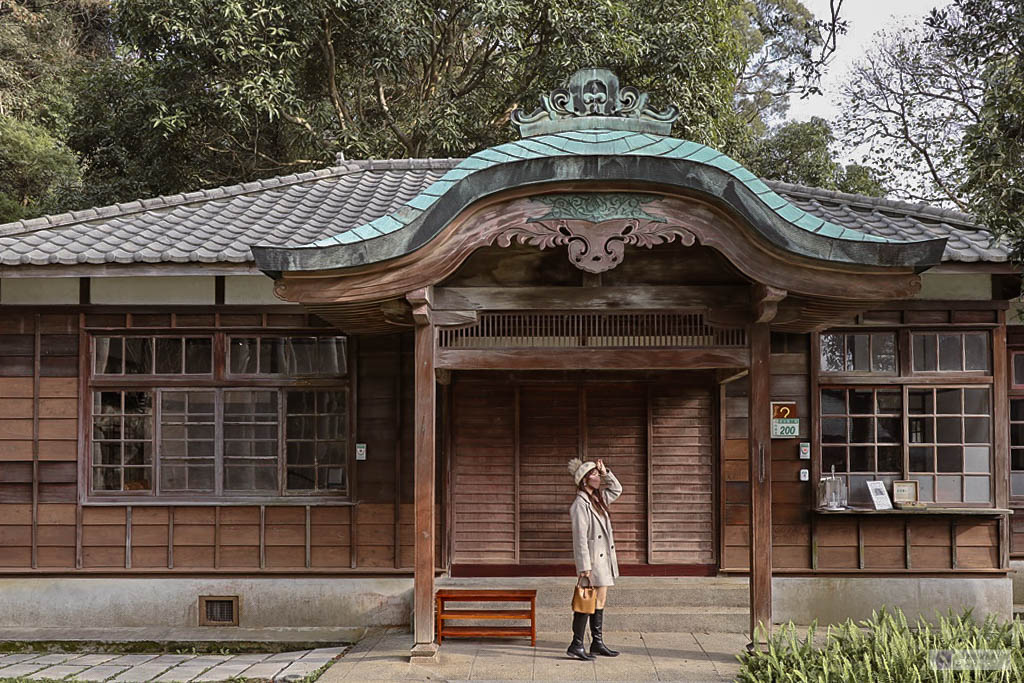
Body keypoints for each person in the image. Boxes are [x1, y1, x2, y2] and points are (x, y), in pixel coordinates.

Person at [566, 456, 622, 661]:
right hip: (591, 562)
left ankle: (597, 643)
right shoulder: (579, 505)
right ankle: (576, 644)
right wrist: (584, 567)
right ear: (585, 480)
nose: (598, 477)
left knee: (600, 600)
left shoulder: (598, 499)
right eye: (595, 475)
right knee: (586, 601)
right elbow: (579, 538)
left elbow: (617, 489)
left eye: (598, 475)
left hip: (603, 560)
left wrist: (606, 472)